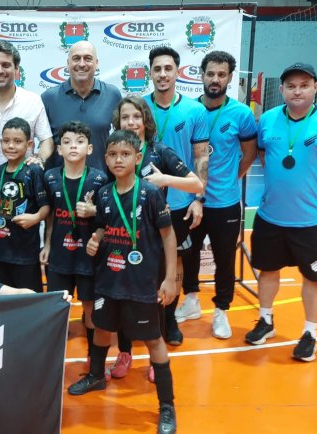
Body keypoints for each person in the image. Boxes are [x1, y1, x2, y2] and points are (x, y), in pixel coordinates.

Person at [245, 63, 317, 362]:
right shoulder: (267, 120)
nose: (297, 91)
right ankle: (266, 320)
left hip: (313, 220)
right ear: (282, 89)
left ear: (315, 87)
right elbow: (263, 155)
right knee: (268, 271)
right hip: (270, 216)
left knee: (313, 278)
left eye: (304, 85)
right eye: (291, 86)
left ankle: (310, 333)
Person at [67, 130, 178, 434]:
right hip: (109, 278)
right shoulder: (104, 194)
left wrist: (170, 278)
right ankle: (96, 376)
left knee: (153, 339)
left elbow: (169, 235)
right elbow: (102, 228)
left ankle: (167, 405)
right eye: (113, 154)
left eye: (125, 154)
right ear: (105, 158)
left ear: (137, 158)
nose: (119, 160)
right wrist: (95, 239)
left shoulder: (150, 194)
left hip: (141, 282)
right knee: (102, 328)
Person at [109, 95, 203, 381]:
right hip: (121, 238)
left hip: (152, 242)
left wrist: (165, 180)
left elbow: (196, 183)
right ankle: (124, 352)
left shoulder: (160, 152)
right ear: (118, 122)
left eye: (136, 116)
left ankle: (155, 357)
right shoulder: (114, 152)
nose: (131, 122)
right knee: (122, 298)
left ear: (146, 120)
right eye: (125, 117)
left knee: (155, 300)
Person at [178, 51, 258, 340]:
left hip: (225, 202)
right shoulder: (189, 109)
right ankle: (191, 300)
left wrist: (229, 180)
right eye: (210, 73)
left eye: (221, 74)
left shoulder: (241, 114)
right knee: (188, 253)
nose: (215, 79)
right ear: (201, 75)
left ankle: (221, 310)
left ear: (229, 78)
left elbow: (249, 154)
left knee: (224, 258)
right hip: (191, 200)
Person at [0, 40, 54, 277]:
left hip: (23, 195)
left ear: (17, 69)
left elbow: (47, 141)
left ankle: (22, 296)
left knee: (23, 255)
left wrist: (39, 159)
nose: (0, 70)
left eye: (6, 65)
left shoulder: (32, 101)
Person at [144, 46, 210, 346]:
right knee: (145, 262)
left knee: (176, 262)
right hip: (143, 203)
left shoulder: (195, 110)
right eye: (157, 69)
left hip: (180, 202)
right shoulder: (139, 107)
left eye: (168, 68)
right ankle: (145, 317)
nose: (162, 74)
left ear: (178, 72)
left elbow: (201, 157)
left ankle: (169, 319)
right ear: (150, 73)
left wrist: (198, 199)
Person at [40, 121, 107, 374]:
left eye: (79, 142)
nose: (73, 147)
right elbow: (49, 215)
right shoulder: (50, 177)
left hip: (88, 256)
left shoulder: (99, 178)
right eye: (67, 142)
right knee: (58, 307)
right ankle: (52, 359)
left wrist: (94, 211)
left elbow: (107, 217)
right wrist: (47, 244)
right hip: (59, 254)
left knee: (90, 307)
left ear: (89, 149)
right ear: (59, 149)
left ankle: (93, 358)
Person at [0, 117, 50, 292]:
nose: (11, 146)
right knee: (8, 296)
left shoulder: (34, 171)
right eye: (6, 141)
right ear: (1, 142)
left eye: (17, 141)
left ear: (29, 144)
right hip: (3, 252)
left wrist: (35, 218)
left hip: (27, 252)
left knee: (29, 297)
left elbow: (46, 207)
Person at [41, 40, 122, 171]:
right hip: (58, 182)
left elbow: (122, 139)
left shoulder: (112, 94)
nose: (82, 64)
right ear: (68, 63)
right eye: (76, 58)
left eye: (88, 58)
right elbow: (44, 141)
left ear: (96, 63)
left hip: (102, 180)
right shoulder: (49, 98)